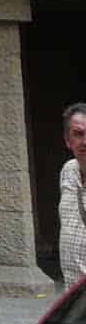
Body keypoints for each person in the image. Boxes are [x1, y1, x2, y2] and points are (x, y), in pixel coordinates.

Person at [60, 102, 86, 286]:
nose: (85, 141)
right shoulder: (68, 171)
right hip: (73, 294)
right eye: (78, 134)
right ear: (68, 141)